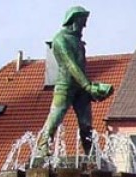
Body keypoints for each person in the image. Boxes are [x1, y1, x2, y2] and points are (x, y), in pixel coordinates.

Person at [36, 6, 113, 158]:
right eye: (83, 21)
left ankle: (91, 152)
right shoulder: (60, 39)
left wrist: (92, 87)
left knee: (86, 123)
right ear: (74, 20)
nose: (85, 25)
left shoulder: (78, 42)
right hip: (65, 85)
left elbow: (81, 67)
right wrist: (88, 86)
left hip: (81, 87)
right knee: (56, 116)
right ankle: (42, 147)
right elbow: (71, 65)